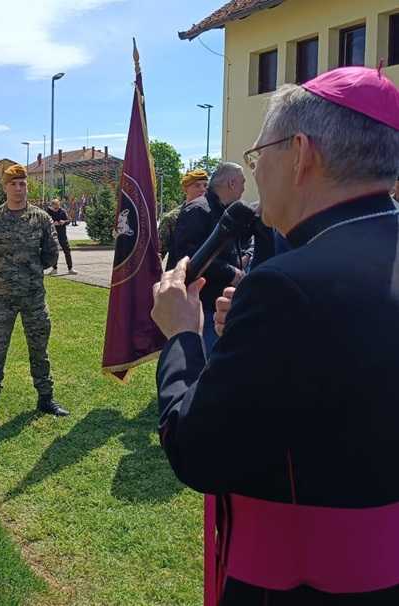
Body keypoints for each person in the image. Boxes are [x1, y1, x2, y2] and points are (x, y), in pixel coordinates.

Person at [152, 66, 399, 605]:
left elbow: (197, 451)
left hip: (304, 583)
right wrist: (255, 332)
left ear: (302, 153)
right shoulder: (288, 289)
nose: (257, 174)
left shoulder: (285, 288)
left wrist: (182, 337)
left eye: (260, 156)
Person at [0, 164, 69, 428]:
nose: (19, 188)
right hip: (2, 301)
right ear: (4, 187)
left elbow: (52, 252)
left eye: (23, 184)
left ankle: (46, 398)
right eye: (14, 184)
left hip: (34, 299)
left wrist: (31, 272)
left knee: (39, 351)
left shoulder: (40, 218)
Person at [166, 163, 246, 351]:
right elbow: (189, 259)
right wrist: (231, 272)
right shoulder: (198, 210)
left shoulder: (223, 210)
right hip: (202, 307)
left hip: (218, 306)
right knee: (201, 366)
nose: (244, 189)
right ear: (232, 183)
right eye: (243, 183)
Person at [158, 169, 208, 261]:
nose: (203, 189)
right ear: (185, 189)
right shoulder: (172, 218)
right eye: (197, 185)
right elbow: (159, 253)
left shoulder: (210, 214)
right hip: (178, 272)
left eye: (205, 185)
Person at [46, 197, 77, 275]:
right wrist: (53, 223)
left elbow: (68, 220)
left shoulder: (62, 211)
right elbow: (45, 222)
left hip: (62, 234)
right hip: (53, 234)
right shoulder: (49, 212)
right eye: (55, 205)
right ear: (52, 205)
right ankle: (54, 268)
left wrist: (64, 222)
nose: (57, 207)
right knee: (54, 252)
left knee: (67, 251)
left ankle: (70, 269)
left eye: (58, 205)